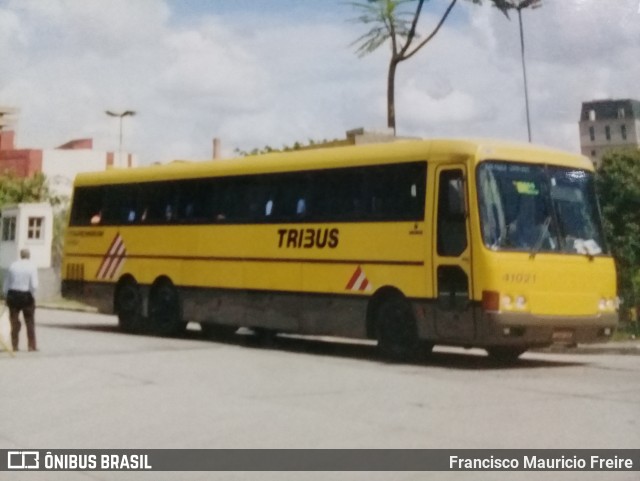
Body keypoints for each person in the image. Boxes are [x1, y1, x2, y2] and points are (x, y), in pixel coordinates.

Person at [3, 249, 39, 352]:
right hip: (26, 295)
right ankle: (31, 345)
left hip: (13, 294)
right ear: (29, 256)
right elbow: (34, 285)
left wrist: (6, 295)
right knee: (29, 321)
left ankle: (14, 345)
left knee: (13, 321)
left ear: (20, 255)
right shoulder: (32, 267)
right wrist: (32, 294)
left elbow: (6, 283)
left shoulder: (13, 266)